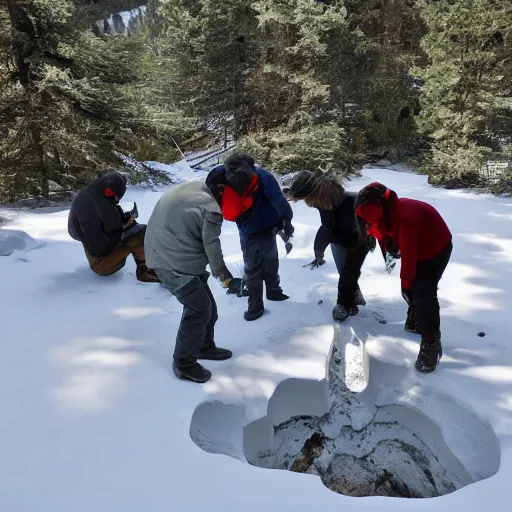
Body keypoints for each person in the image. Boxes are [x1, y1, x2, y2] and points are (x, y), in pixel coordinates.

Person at [144, 179, 243, 383]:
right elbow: (212, 245)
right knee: (199, 309)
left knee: (208, 308)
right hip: (171, 263)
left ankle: (204, 347)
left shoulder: (194, 188)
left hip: (167, 251)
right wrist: (226, 279)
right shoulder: (211, 209)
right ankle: (184, 363)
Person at [354, 182, 452, 373]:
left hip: (435, 248)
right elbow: (381, 231)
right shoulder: (385, 212)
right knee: (415, 290)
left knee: (423, 291)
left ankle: (431, 342)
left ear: (377, 208)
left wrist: (405, 286)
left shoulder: (405, 219)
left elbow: (409, 260)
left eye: (368, 219)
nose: (366, 223)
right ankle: (417, 316)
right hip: (418, 243)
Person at [207, 154, 294, 321]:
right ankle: (274, 291)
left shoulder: (219, 173)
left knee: (251, 265)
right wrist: (288, 220)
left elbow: (208, 193)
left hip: (245, 226)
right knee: (270, 258)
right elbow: (280, 201)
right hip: (267, 225)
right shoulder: (263, 176)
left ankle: (255, 307)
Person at [285, 170, 369, 322]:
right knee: (348, 272)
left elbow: (327, 229)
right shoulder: (330, 194)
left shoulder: (325, 202)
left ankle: (346, 306)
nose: (303, 202)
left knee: (346, 273)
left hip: (353, 238)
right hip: (354, 235)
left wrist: (318, 251)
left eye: (303, 198)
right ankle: (355, 297)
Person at [68, 171, 159, 283]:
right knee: (139, 234)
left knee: (137, 229)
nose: (115, 200)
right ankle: (144, 272)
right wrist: (122, 229)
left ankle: (148, 266)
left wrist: (124, 221)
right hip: (101, 264)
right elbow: (100, 248)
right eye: (113, 197)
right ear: (108, 190)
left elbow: (108, 214)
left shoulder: (95, 195)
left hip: (98, 251)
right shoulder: (89, 209)